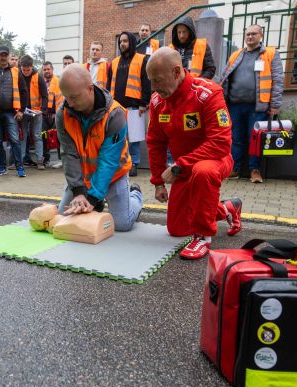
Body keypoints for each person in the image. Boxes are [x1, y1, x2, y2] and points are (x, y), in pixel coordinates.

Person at [146, 48, 242, 260]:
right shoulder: (157, 102)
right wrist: (158, 182)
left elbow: (220, 143)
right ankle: (227, 208)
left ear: (176, 71)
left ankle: (203, 236)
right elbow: (155, 142)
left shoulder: (208, 94)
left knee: (203, 171)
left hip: (215, 161)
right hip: (183, 167)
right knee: (176, 228)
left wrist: (180, 165)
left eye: (158, 80)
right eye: (150, 81)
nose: (153, 88)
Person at [57, 64, 143, 231]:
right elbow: (68, 154)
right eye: (66, 97)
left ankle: (136, 195)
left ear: (90, 89)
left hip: (113, 175)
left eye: (73, 97)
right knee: (63, 218)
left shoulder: (115, 114)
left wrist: (91, 199)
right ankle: (96, 201)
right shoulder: (63, 113)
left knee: (122, 224)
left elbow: (108, 162)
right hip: (83, 176)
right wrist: (78, 192)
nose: (69, 103)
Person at [219, 24, 283, 183]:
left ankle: (255, 170)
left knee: (255, 139)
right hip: (234, 105)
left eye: (253, 34)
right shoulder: (236, 55)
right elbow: (223, 78)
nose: (250, 37)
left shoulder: (270, 53)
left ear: (261, 36)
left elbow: (278, 79)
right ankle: (234, 169)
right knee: (236, 138)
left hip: (258, 106)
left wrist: (275, 104)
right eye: (247, 34)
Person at [0, 45, 29, 177]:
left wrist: (22, 110)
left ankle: (20, 167)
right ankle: (2, 166)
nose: (3, 57)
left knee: (14, 139)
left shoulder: (15, 72)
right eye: (1, 55)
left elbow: (24, 92)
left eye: (5, 55)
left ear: (8, 57)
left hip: (10, 112)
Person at [108, 31, 151, 177]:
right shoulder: (114, 62)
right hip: (117, 106)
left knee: (134, 138)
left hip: (135, 106)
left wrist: (144, 103)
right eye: (120, 41)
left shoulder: (142, 59)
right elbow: (109, 85)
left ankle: (134, 164)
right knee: (119, 137)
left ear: (131, 42)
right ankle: (120, 164)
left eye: (125, 41)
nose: (122, 44)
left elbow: (147, 82)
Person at [19, 55, 48, 170]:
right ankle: (20, 161)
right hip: (22, 111)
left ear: (32, 67)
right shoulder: (17, 75)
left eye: (28, 70)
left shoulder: (38, 77)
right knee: (23, 136)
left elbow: (45, 95)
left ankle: (40, 161)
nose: (26, 72)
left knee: (37, 136)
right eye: (24, 70)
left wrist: (42, 110)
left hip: (36, 112)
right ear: (21, 67)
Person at [42, 61, 63, 167]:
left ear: (52, 69)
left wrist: (57, 113)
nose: (46, 71)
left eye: (48, 69)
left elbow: (60, 99)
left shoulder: (58, 81)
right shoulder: (41, 82)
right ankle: (46, 159)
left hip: (55, 114)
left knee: (58, 136)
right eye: (44, 70)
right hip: (43, 115)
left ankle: (60, 159)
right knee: (43, 136)